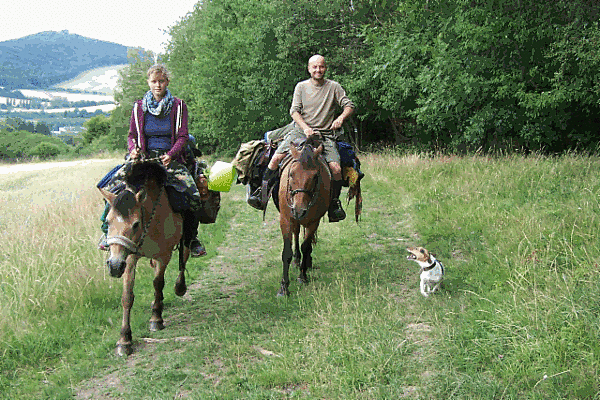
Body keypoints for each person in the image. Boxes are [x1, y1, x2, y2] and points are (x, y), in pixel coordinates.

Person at [98, 64, 206, 257]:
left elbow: (183, 136)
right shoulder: (138, 107)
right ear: (148, 83)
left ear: (167, 82)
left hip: (169, 158)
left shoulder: (178, 106)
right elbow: (131, 135)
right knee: (113, 189)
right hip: (143, 159)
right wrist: (133, 150)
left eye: (161, 81)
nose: (158, 85)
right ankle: (107, 234)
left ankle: (191, 238)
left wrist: (171, 154)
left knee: (193, 194)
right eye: (154, 81)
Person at [258, 54, 355, 222]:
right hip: (300, 131)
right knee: (275, 160)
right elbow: (294, 111)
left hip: (325, 135)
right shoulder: (301, 87)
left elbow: (349, 105)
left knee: (336, 169)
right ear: (309, 69)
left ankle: (333, 203)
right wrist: (305, 128)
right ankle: (261, 194)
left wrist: (340, 118)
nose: (318, 70)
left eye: (321, 66)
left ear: (325, 68)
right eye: (315, 67)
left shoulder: (334, 87)